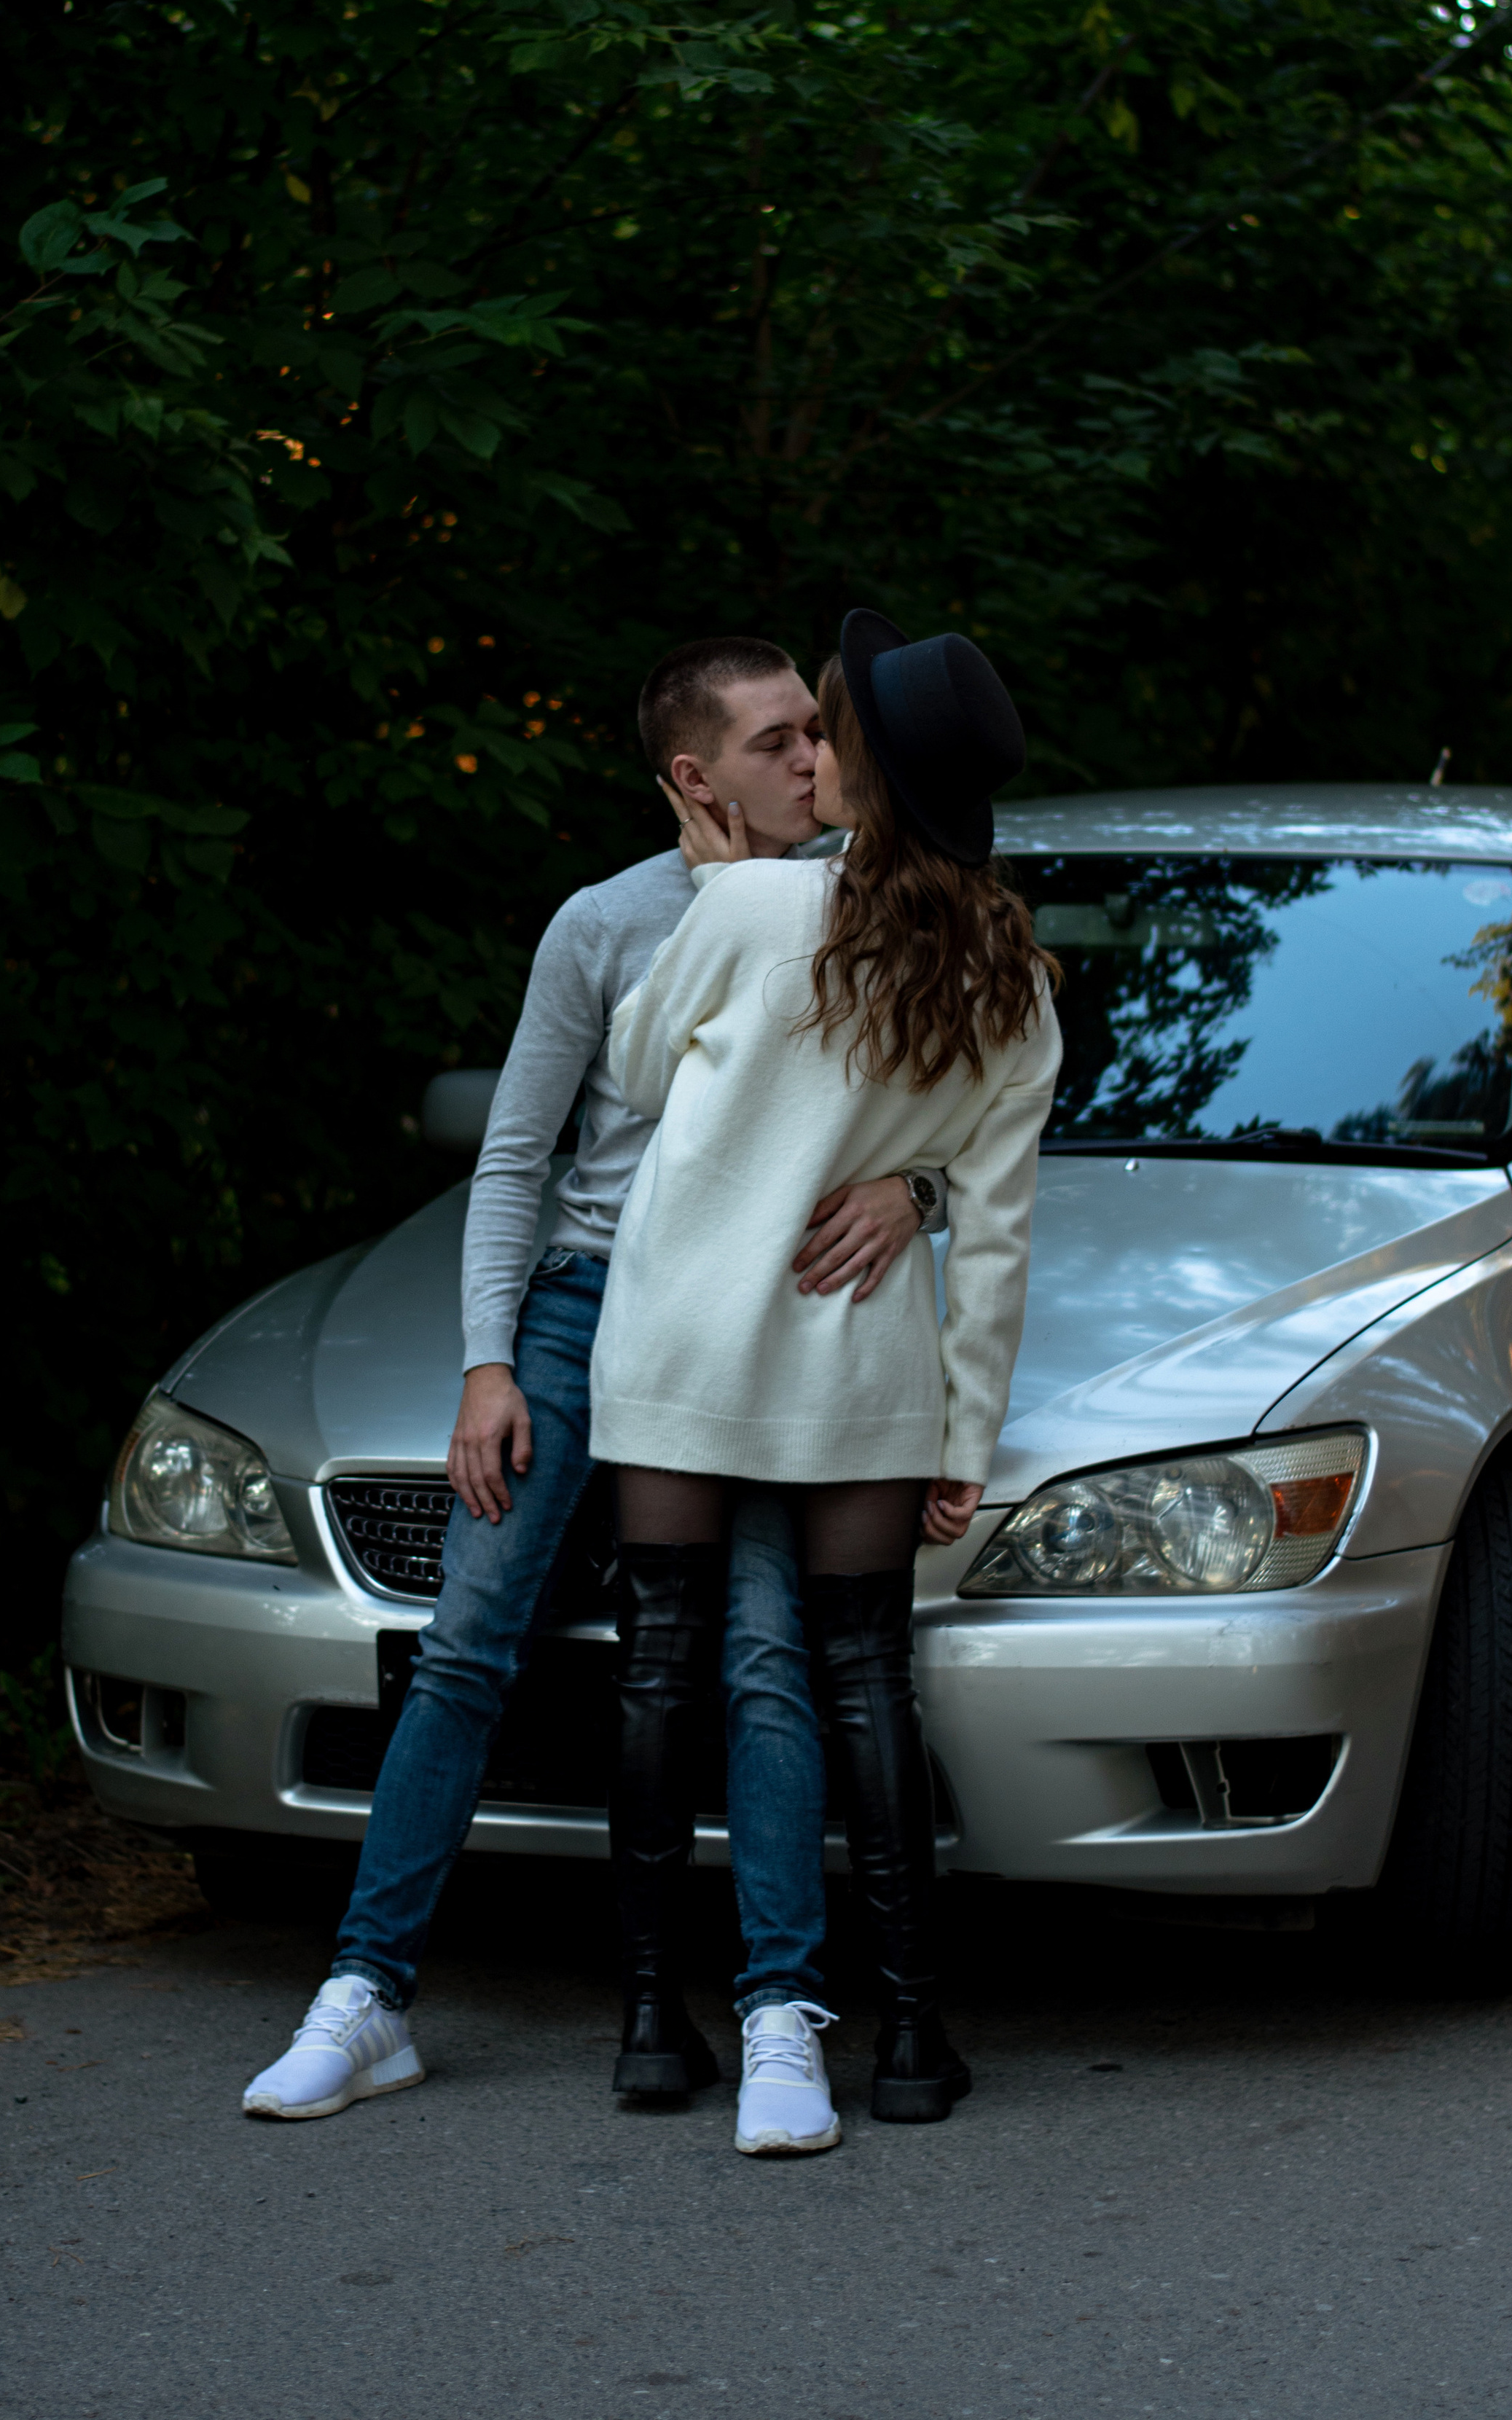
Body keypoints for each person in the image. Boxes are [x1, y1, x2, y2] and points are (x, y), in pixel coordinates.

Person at [241, 633, 950, 2120]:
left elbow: (958, 1096)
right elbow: (518, 1153)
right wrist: (486, 1364)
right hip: (582, 1312)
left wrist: (918, 1191)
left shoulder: (870, 908)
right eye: (778, 742)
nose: (815, 760)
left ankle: (776, 2011)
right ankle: (366, 1996)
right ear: (694, 778)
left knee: (763, 1662)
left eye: (818, 732)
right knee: (467, 1640)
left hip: (751, 1330)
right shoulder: (600, 925)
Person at [594, 611, 1061, 2157]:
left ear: (866, 764)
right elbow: (990, 1244)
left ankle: (655, 2022)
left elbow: (645, 1069)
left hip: (679, 1342)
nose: (809, 751)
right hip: (857, 1366)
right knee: (866, 1680)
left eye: (829, 728)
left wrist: (726, 891)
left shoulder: (742, 913)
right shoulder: (1008, 975)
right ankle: (913, 2037)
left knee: (661, 1671)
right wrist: (966, 1439)